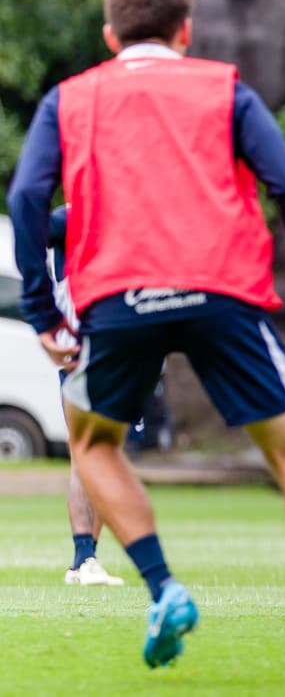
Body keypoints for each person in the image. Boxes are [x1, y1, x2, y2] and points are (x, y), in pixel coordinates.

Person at [7, 0, 285, 684]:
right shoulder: (225, 89)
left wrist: (42, 308)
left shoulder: (68, 100)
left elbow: (28, 198)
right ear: (185, 30)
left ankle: (164, 587)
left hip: (117, 299)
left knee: (92, 444)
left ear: (108, 35)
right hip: (219, 293)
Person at [46, 206, 126, 588]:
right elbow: (33, 231)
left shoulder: (129, 211)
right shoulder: (69, 216)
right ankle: (84, 557)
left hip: (121, 345)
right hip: (84, 346)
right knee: (87, 450)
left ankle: (84, 561)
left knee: (106, 454)